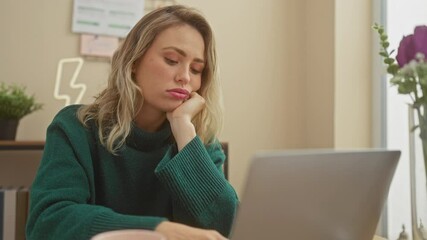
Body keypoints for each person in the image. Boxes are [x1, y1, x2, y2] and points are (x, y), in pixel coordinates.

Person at [26, 5, 239, 240]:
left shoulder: (201, 144)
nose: (185, 77)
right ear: (134, 60)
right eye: (171, 60)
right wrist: (157, 230)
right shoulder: (75, 128)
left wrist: (184, 133)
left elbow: (226, 227)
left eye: (196, 69)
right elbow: (47, 223)